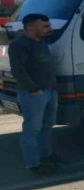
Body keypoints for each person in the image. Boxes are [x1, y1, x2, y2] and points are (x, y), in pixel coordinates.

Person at [9, 14, 60, 174]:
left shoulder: (41, 42)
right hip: (33, 94)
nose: (50, 29)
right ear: (30, 28)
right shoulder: (20, 44)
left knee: (47, 126)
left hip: (50, 91)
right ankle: (33, 164)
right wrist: (34, 89)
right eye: (45, 26)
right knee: (32, 129)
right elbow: (18, 70)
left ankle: (46, 155)